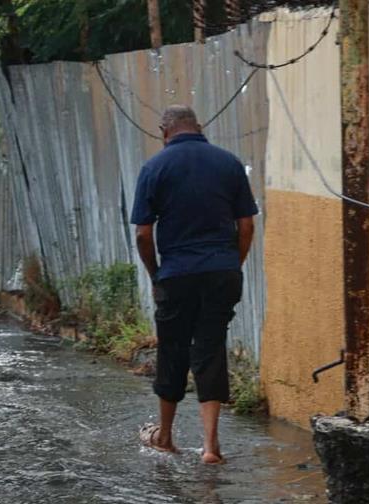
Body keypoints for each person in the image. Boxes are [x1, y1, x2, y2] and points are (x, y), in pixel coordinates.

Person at [132, 105, 257, 465]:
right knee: (211, 348)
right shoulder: (229, 163)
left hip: (177, 273)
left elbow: (143, 234)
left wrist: (156, 273)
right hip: (223, 271)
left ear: (164, 131)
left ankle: (166, 437)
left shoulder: (154, 167)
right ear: (198, 127)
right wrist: (234, 262)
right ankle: (210, 446)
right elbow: (246, 226)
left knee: (172, 349)